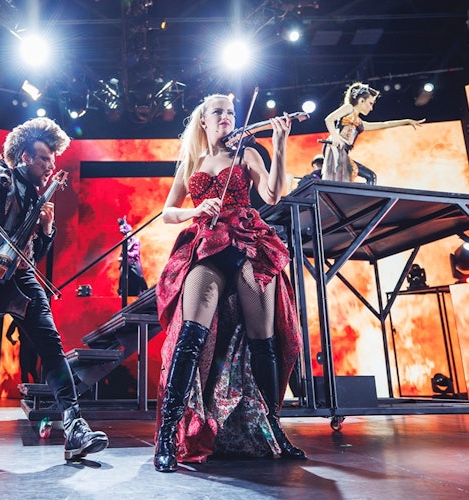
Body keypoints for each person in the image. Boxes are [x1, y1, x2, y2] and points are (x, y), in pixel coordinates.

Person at [154, 94, 307, 473]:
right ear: (203, 120)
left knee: (262, 340)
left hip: (248, 239)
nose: (227, 117)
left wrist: (280, 143)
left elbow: (272, 194)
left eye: (231, 112)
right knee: (190, 335)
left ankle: (274, 428)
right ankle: (167, 436)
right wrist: (195, 209)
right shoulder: (192, 162)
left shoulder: (246, 153)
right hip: (207, 243)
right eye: (218, 111)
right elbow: (168, 212)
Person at [0, 117, 108, 459]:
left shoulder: (39, 200)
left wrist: (47, 230)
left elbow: (34, 253)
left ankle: (74, 426)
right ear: (25, 157)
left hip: (20, 278)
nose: (50, 166)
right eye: (44, 159)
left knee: (51, 345)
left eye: (52, 160)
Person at [321, 81, 425, 184]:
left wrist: (406, 121)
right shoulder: (349, 108)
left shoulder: (360, 123)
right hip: (336, 149)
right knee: (340, 181)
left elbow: (384, 124)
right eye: (370, 103)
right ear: (361, 101)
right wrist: (335, 137)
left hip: (342, 151)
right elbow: (329, 119)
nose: (371, 108)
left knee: (371, 176)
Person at [117, 216, 148, 297]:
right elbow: (123, 252)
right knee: (122, 278)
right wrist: (121, 257)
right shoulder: (125, 241)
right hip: (125, 263)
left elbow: (135, 253)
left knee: (138, 276)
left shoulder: (135, 241)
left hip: (133, 263)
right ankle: (122, 292)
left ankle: (144, 290)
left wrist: (126, 254)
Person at [6, 319, 39, 384]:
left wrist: (12, 341)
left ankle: (30, 388)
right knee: (32, 370)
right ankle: (35, 387)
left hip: (27, 346)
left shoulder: (18, 318)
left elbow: (8, 334)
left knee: (26, 370)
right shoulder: (34, 318)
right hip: (32, 346)